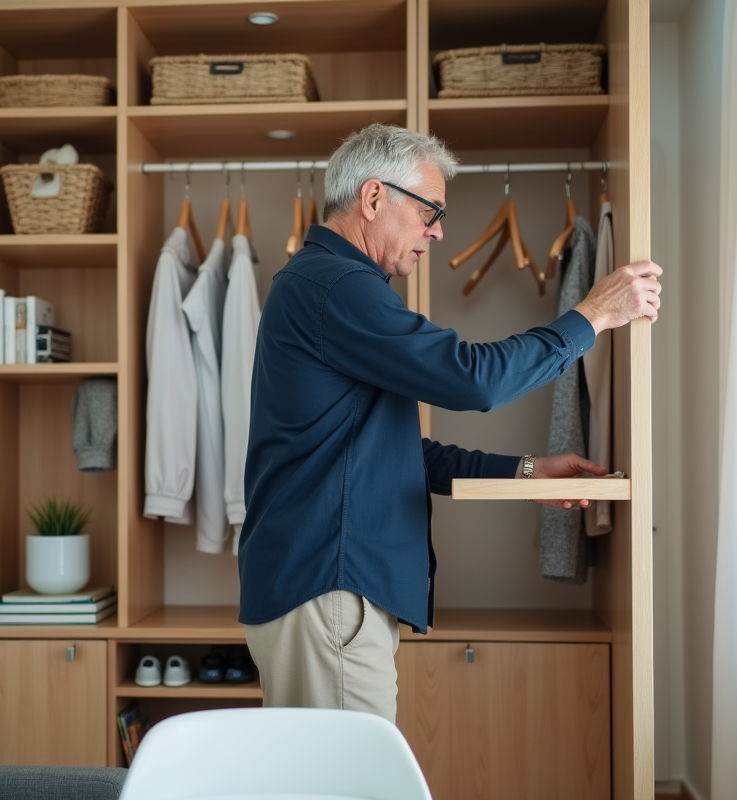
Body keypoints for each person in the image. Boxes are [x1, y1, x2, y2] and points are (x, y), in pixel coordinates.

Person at [236, 123, 662, 723]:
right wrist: (591, 315)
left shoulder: (327, 287)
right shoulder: (336, 286)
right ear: (375, 197)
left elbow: (395, 451)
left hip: (327, 587)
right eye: (430, 210)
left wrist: (528, 471)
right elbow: (474, 379)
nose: (438, 231)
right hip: (328, 587)